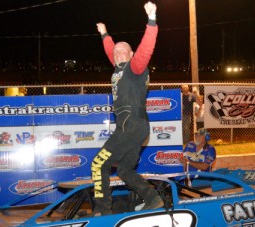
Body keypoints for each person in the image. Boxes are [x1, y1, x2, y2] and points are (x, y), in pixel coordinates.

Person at [91, 2, 163, 216]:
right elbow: (111, 51)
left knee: (98, 164)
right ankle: (153, 199)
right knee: (123, 169)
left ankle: (103, 212)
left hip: (131, 127)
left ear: (131, 55)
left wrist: (152, 21)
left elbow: (146, 49)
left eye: (124, 51)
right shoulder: (119, 68)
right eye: (116, 53)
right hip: (135, 128)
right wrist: (105, 35)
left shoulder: (135, 67)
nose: (118, 54)